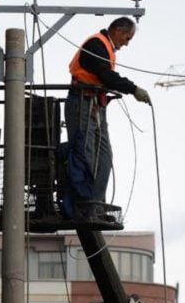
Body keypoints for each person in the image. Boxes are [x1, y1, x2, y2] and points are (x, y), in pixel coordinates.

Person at [65, 17, 151, 205]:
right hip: (82, 102)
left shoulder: (105, 47)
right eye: (127, 38)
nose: (126, 44)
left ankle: (95, 202)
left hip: (95, 104)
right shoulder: (97, 44)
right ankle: (83, 203)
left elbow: (105, 76)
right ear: (118, 31)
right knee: (85, 152)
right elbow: (106, 75)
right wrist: (133, 89)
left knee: (104, 155)